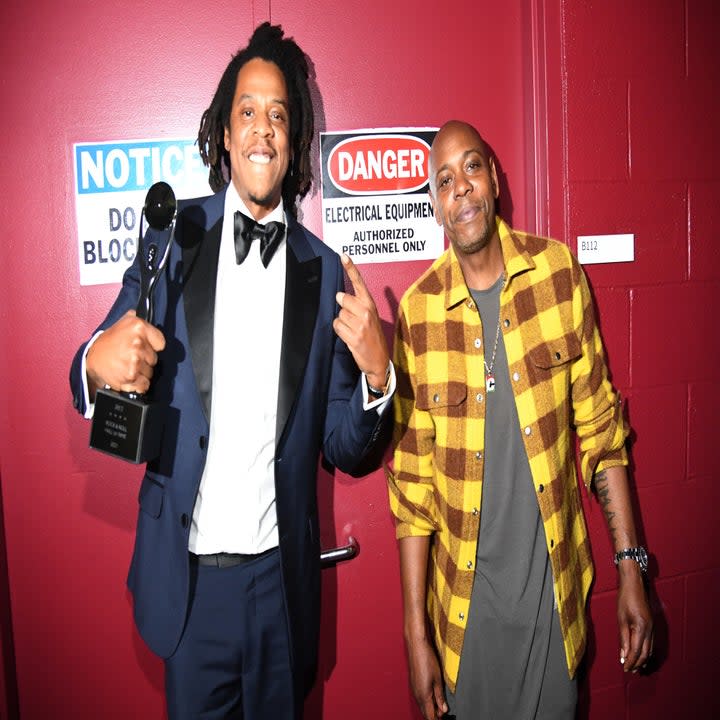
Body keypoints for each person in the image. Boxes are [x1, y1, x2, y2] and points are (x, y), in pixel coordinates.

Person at [69, 23, 393, 720]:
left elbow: (344, 444)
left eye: (279, 115)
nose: (263, 129)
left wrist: (376, 377)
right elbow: (105, 347)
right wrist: (94, 365)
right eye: (247, 110)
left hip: (282, 587)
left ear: (295, 139)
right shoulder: (172, 237)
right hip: (188, 590)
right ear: (223, 131)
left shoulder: (326, 269)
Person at [386, 120, 653, 719]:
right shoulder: (419, 314)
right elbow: (411, 491)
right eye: (444, 179)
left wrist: (631, 566)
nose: (461, 188)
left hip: (553, 614)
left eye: (472, 167)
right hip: (463, 623)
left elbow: (602, 432)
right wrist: (415, 634)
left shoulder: (558, 276)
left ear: (496, 180)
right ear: (434, 205)